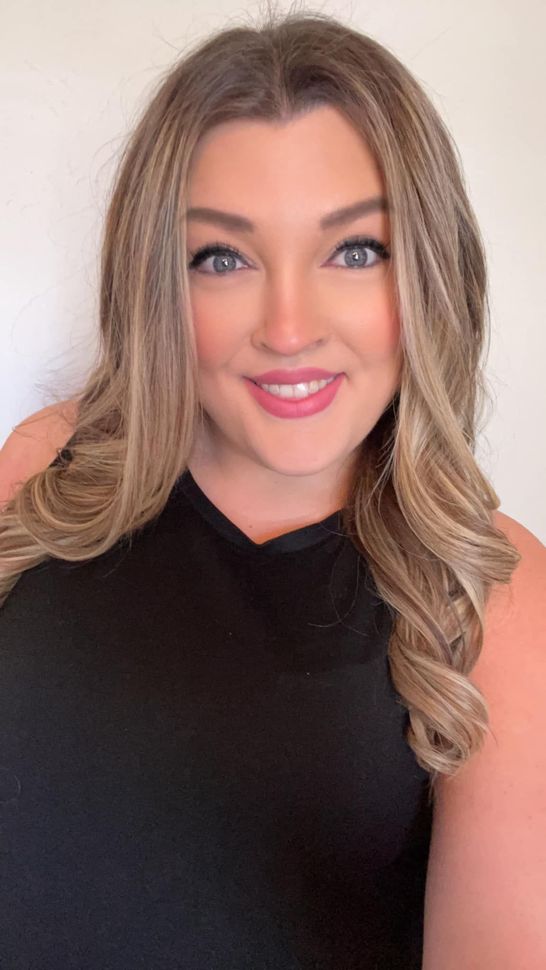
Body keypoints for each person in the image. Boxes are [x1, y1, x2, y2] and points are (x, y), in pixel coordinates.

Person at [1, 6, 545, 969]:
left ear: (429, 271)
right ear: (158, 285)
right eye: (223, 258)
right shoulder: (45, 470)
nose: (288, 327)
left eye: (354, 250)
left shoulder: (494, 591)